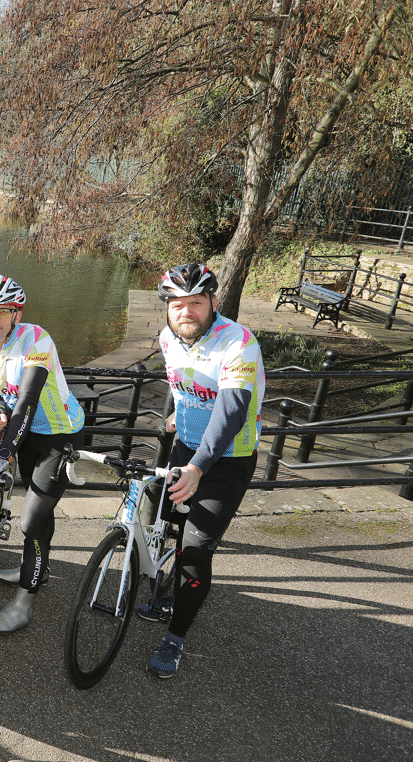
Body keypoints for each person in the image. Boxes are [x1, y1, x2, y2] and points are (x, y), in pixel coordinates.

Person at [141, 263, 263, 678]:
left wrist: (195, 467)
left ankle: (175, 637)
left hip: (227, 460)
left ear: (213, 302)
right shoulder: (166, 338)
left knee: (194, 552)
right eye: (177, 304)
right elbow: (182, 385)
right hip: (185, 447)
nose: (186, 312)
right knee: (159, 516)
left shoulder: (239, 343)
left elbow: (230, 412)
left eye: (196, 302)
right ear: (167, 308)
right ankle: (165, 584)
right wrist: (176, 413)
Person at [0, 274, 85, 634]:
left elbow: (28, 400)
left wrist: (3, 453)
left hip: (59, 434)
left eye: (2, 312)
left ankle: (24, 603)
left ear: (17, 314)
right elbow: (1, 399)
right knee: (40, 514)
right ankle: (40, 568)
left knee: (30, 520)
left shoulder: (36, 339)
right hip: (27, 437)